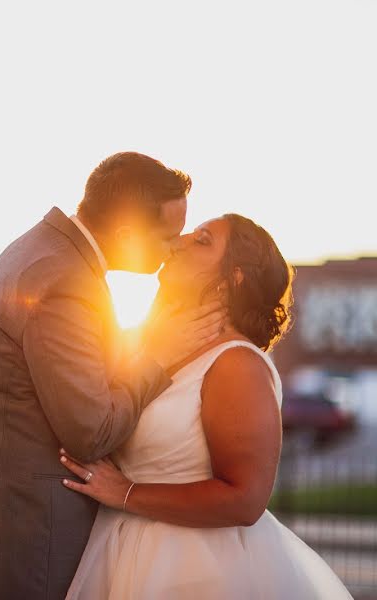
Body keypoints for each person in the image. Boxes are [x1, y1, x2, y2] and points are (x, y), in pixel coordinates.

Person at [0, 152, 225, 600]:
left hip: (4, 531)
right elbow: (91, 431)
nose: (174, 248)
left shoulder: (41, 248)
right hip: (32, 544)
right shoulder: (67, 283)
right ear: (127, 234)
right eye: (167, 237)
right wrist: (158, 360)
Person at [60, 213, 354, 599]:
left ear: (234, 277)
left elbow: (246, 499)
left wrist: (128, 493)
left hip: (197, 569)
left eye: (201, 240)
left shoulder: (236, 363)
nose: (178, 241)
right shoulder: (150, 347)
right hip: (120, 553)